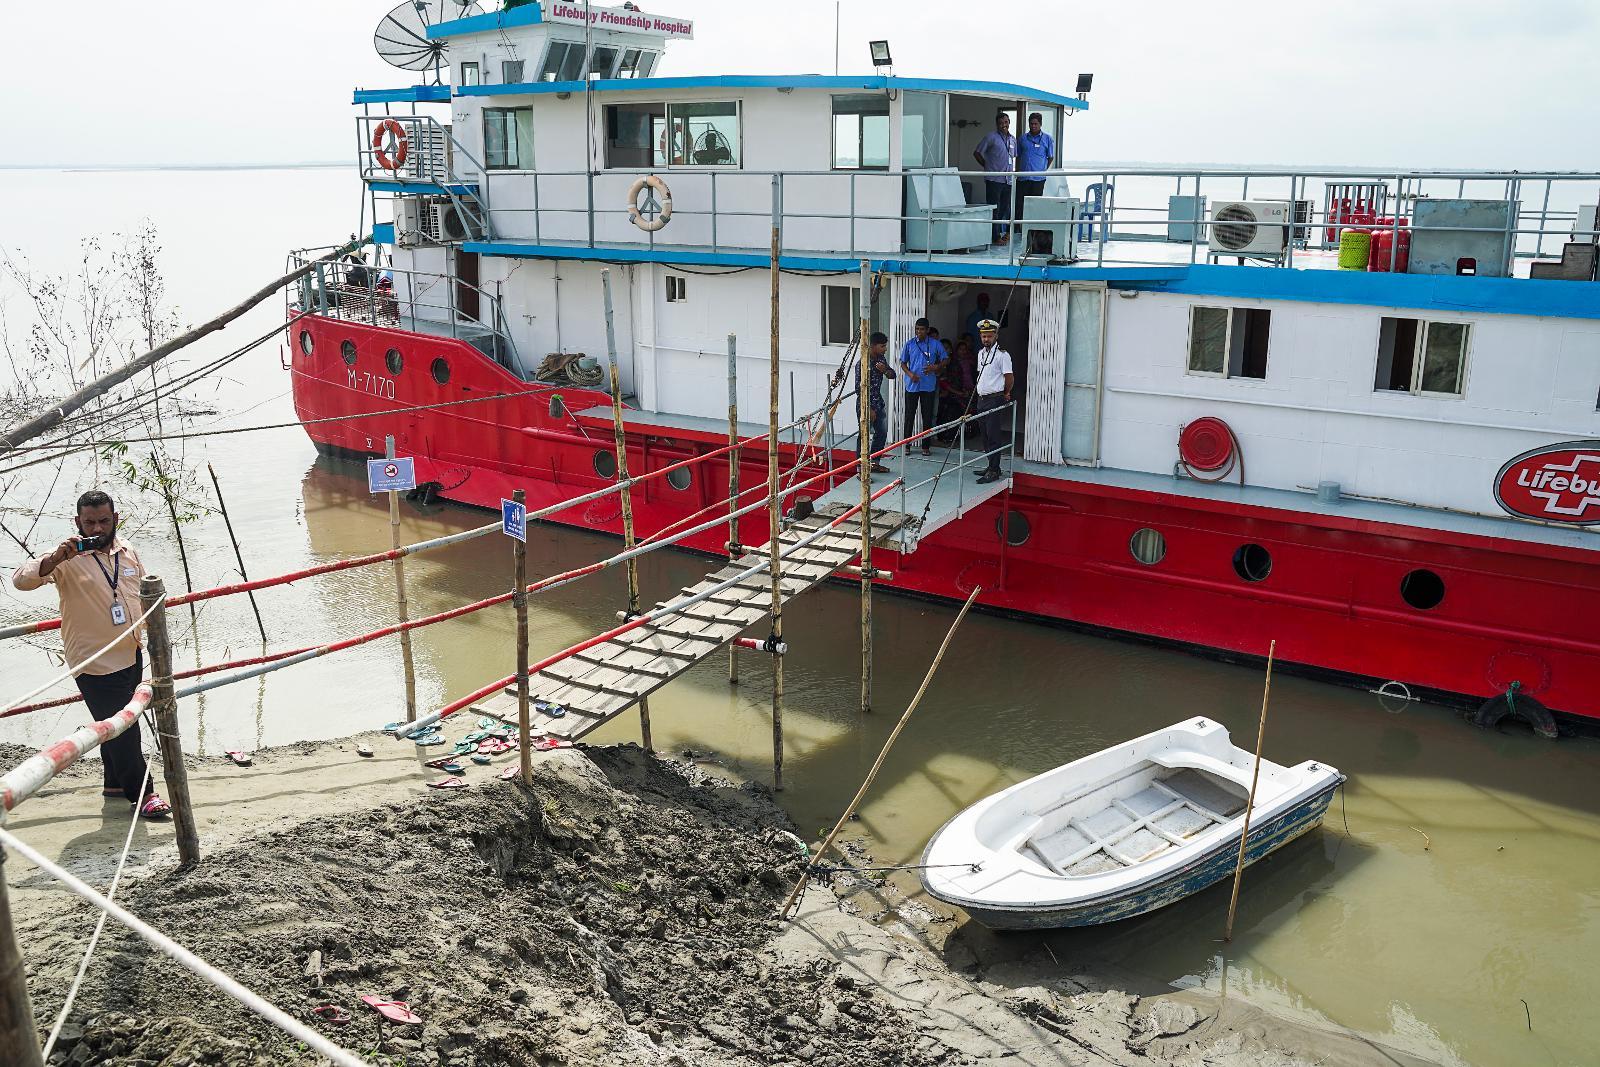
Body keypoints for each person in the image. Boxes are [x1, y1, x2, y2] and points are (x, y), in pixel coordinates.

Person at [11, 491, 170, 818]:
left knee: (114, 722)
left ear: (116, 520)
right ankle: (144, 794)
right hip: (93, 661)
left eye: (103, 521)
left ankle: (114, 782)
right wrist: (54, 559)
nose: (97, 529)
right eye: (90, 523)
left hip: (130, 652)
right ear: (77, 523)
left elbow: (142, 596)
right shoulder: (65, 560)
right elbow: (21, 580)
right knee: (125, 726)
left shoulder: (127, 553)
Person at [972, 320, 1014, 484]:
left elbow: (1009, 377)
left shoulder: (1003, 355)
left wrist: (1005, 393)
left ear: (996, 336)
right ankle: (991, 465)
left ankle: (995, 470)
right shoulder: (980, 353)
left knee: (993, 435)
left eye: (989, 336)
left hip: (994, 398)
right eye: (984, 336)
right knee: (984, 436)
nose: (986, 339)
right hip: (981, 399)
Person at [898, 318, 947, 457]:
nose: (919, 332)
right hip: (912, 385)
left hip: (928, 385)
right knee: (909, 416)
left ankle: (926, 446)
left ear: (927, 330)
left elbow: (946, 358)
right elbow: (902, 363)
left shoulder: (935, 344)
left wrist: (936, 366)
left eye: (921, 329)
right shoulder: (909, 344)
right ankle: (907, 445)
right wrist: (910, 374)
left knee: (927, 416)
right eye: (917, 329)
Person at [972, 112, 1017, 244]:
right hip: (994, 180)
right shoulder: (991, 137)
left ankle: (1001, 234)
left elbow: (1013, 157)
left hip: (1007, 180)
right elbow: (977, 153)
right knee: (994, 209)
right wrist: (986, 166)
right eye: (1001, 123)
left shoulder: (1013, 139)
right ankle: (995, 237)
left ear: (1009, 122)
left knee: (1004, 209)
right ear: (997, 124)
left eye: (1006, 122)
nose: (1004, 125)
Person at [937, 336, 977, 444]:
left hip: (965, 391)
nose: (963, 352)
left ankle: (966, 433)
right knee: (952, 414)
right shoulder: (949, 364)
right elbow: (944, 381)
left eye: (965, 349)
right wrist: (958, 392)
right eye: (961, 349)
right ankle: (947, 436)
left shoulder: (969, 362)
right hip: (951, 393)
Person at [1017, 113, 1056, 222]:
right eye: (1031, 124)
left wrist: (1042, 171)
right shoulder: (1022, 138)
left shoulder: (1047, 139)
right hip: (1023, 178)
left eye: (1036, 124)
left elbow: (1050, 157)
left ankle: (1033, 230)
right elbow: (1018, 156)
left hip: (1038, 179)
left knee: (1035, 205)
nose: (1033, 126)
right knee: (1020, 205)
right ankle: (1018, 228)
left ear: (1040, 124)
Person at [866, 332, 895, 474]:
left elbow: (892, 375)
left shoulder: (881, 359)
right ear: (873, 346)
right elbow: (859, 389)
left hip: (879, 403)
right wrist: (869, 408)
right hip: (866, 405)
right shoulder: (863, 363)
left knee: (882, 433)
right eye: (882, 346)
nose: (885, 349)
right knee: (863, 436)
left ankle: (874, 464)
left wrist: (885, 371)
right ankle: (861, 469)